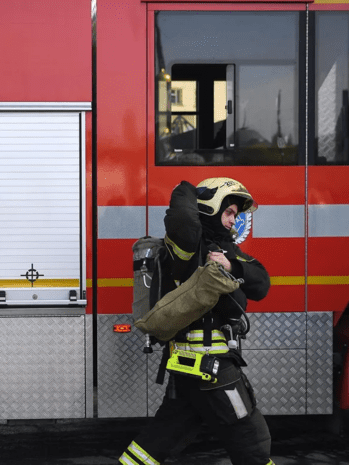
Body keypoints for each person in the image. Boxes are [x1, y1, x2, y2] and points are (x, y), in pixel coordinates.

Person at [119, 177, 274, 465]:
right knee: (252, 442)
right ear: (212, 207)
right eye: (228, 212)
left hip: (189, 371)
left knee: (156, 443)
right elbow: (182, 219)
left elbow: (261, 284)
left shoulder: (227, 250)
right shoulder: (187, 246)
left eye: (236, 215)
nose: (233, 221)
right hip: (212, 369)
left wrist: (231, 264)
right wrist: (189, 187)